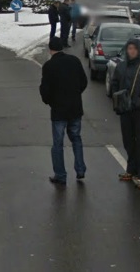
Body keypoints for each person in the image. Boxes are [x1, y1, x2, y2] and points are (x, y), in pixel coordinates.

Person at [108, 38, 140, 190]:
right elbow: (114, 83)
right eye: (129, 48)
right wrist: (117, 100)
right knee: (128, 141)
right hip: (125, 110)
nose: (132, 51)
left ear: (138, 50)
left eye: (134, 49)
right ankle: (131, 170)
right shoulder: (121, 66)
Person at [39, 36, 88, 184]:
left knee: (58, 144)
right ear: (61, 47)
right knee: (76, 139)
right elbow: (83, 82)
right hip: (75, 108)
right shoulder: (74, 61)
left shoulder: (49, 66)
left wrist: (50, 101)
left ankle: (60, 175)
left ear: (50, 49)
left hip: (59, 111)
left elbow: (45, 90)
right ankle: (80, 170)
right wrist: (76, 94)